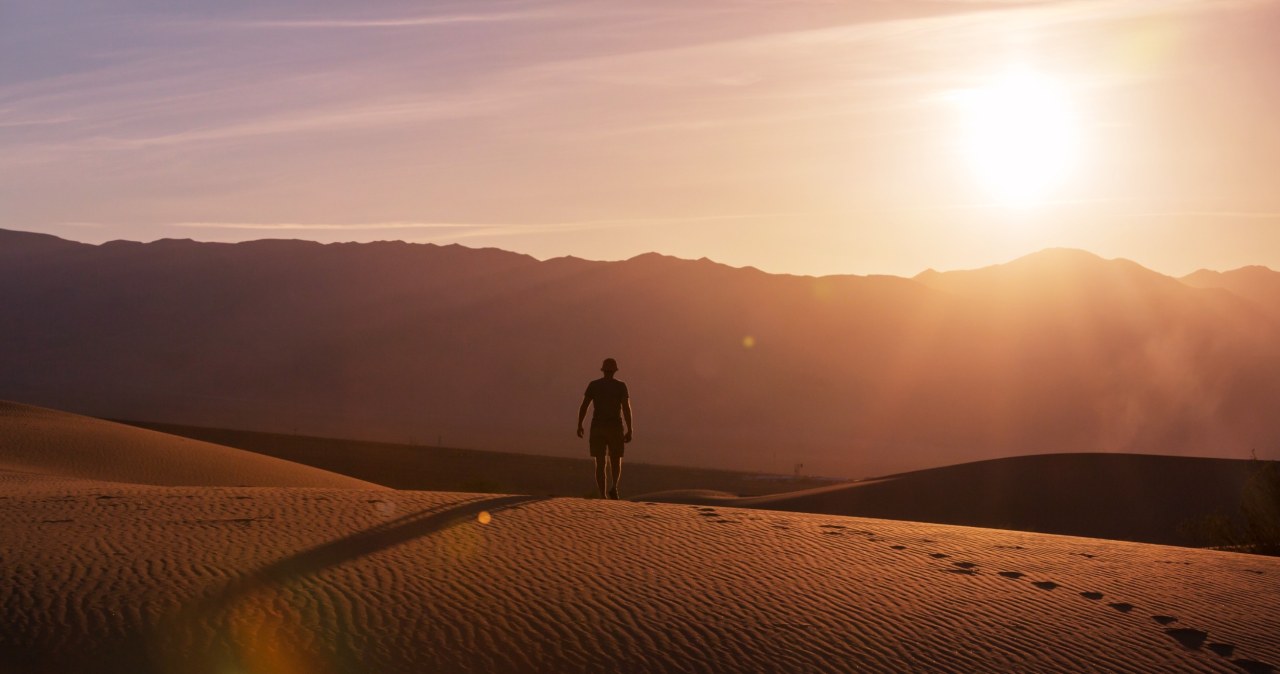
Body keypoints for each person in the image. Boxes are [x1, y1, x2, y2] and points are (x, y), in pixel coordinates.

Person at [577, 358, 633, 499]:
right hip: (615, 427)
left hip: (598, 427)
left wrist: (580, 424)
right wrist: (630, 429)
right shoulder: (621, 386)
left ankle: (603, 494)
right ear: (614, 371)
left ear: (603, 370)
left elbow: (584, 406)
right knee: (615, 459)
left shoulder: (594, 385)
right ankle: (614, 487)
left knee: (600, 462)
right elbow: (626, 408)